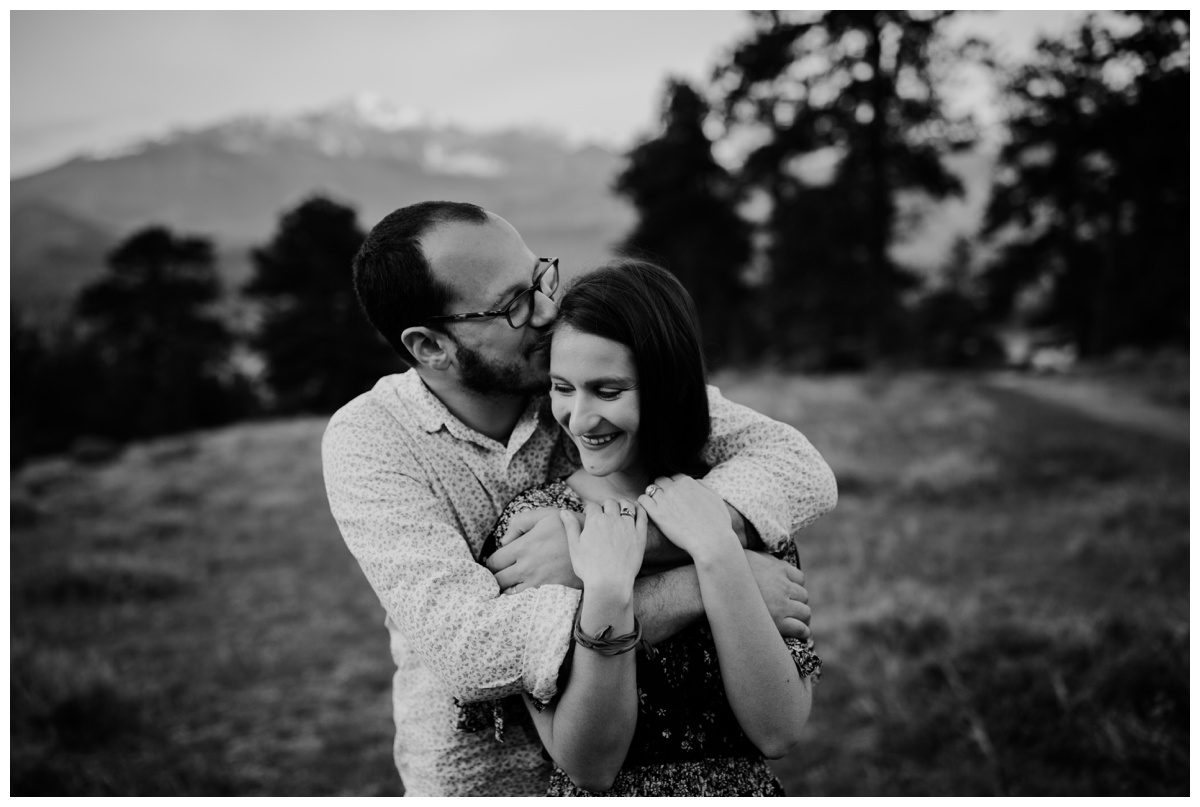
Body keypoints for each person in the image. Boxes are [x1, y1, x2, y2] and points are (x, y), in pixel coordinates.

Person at [322, 201, 837, 796]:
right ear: (430, 346)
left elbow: (797, 467)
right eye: (513, 304)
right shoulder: (372, 440)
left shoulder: (570, 369)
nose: (546, 310)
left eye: (540, 278)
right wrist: (714, 583)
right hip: (487, 782)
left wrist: (634, 540)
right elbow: (473, 650)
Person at [476, 260, 820, 796]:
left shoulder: (741, 506)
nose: (579, 418)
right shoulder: (535, 531)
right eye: (562, 387)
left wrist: (718, 553)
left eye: (608, 391)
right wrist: (610, 591)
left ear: (668, 387)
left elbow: (779, 729)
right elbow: (589, 766)